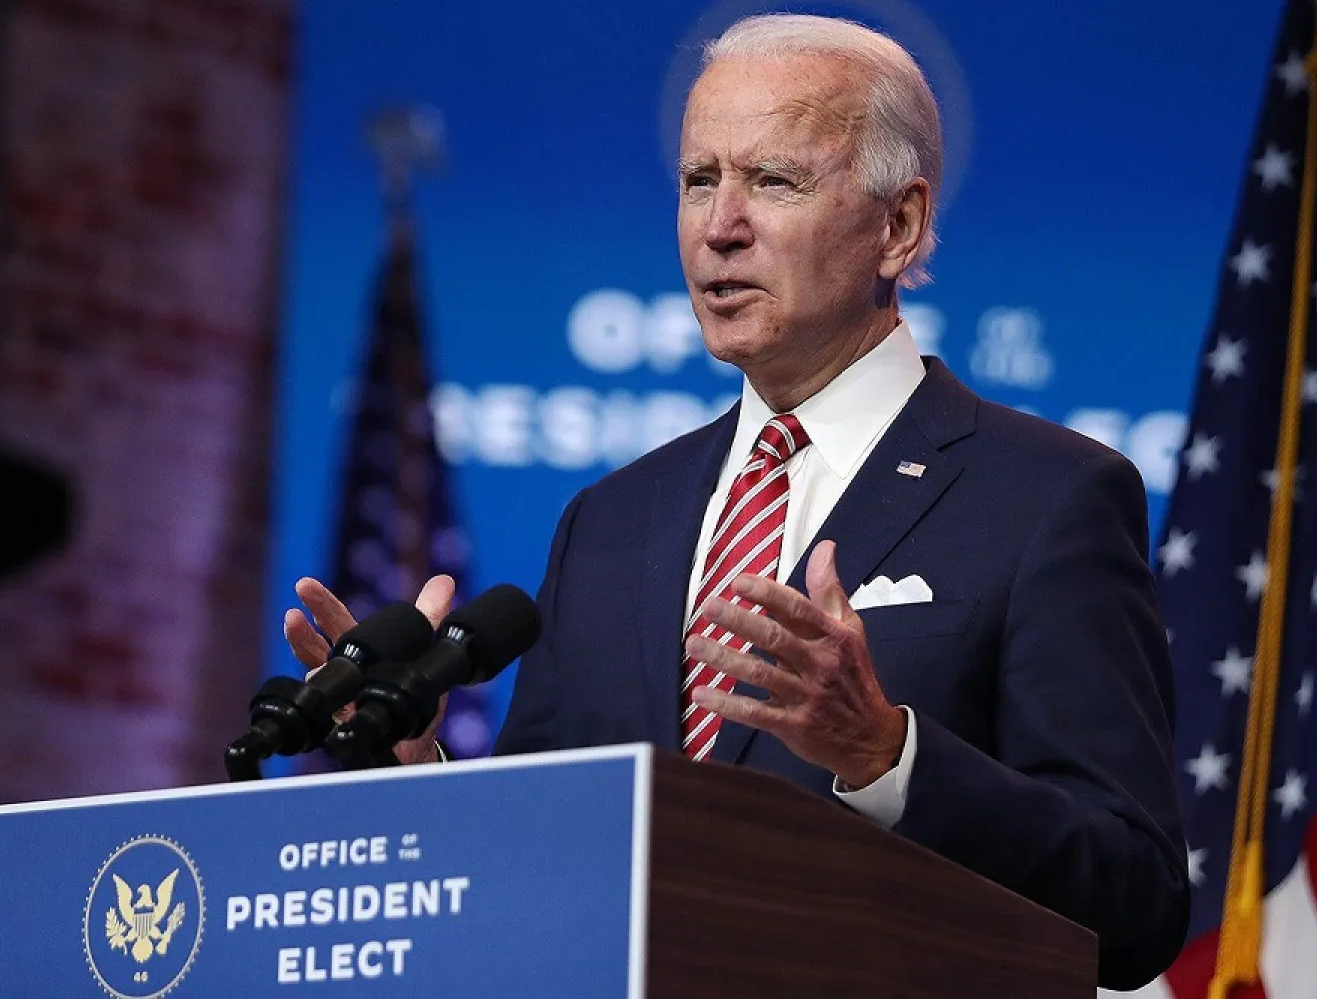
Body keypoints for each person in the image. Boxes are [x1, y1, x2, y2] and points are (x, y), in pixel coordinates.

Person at [285, 14, 1188, 988]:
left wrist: (886, 756)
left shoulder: (1048, 497)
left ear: (900, 226)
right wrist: (419, 773)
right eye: (699, 180)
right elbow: (539, 865)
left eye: (774, 181)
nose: (721, 225)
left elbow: (1133, 901)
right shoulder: (609, 523)